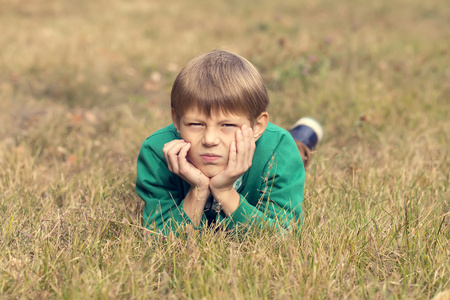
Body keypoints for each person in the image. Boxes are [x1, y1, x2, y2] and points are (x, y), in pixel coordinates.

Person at [136, 50, 319, 236]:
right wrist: (198, 190)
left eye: (228, 125)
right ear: (177, 121)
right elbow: (158, 238)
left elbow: (282, 237)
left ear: (258, 127)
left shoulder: (279, 148)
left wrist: (224, 191)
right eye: (196, 124)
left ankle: (302, 138)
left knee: (296, 151)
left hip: (275, 144)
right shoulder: (156, 152)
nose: (210, 140)